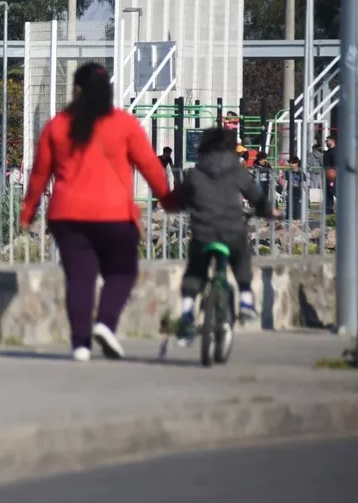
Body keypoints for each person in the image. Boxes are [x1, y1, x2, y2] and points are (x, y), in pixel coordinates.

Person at [20, 62, 171, 362]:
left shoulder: (57, 126)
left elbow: (39, 175)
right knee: (122, 271)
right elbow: (151, 167)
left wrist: (28, 212)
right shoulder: (124, 124)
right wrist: (167, 199)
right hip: (114, 215)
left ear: (76, 90)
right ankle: (105, 323)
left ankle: (80, 345)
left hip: (67, 215)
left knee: (80, 277)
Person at [162, 127, 277, 350]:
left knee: (196, 268)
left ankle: (186, 312)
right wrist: (267, 211)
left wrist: (175, 205)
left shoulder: (196, 173)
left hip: (203, 232)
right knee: (241, 256)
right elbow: (257, 197)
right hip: (232, 230)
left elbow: (178, 198)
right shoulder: (237, 171)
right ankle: (245, 299)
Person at [323, 137, 337, 214]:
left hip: (332, 175)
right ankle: (329, 209)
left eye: (327, 141)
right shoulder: (327, 152)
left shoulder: (335, 151)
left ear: (332, 141)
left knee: (334, 190)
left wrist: (334, 174)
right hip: (327, 174)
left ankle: (344, 205)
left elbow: (335, 164)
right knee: (328, 192)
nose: (326, 142)